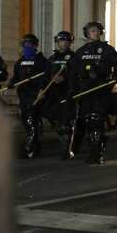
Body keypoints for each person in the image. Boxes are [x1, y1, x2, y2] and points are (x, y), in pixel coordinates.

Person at [72, 21, 117, 165]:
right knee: (88, 121)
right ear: (87, 33)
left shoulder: (107, 49)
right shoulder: (81, 52)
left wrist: (112, 80)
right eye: (91, 31)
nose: (94, 33)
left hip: (101, 91)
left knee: (96, 120)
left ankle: (97, 152)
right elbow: (74, 72)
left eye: (96, 31)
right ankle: (93, 150)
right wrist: (73, 89)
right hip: (86, 92)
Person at [8, 34, 51, 159]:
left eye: (30, 44)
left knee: (31, 120)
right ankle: (35, 146)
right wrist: (12, 83)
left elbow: (46, 77)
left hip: (36, 95)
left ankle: (29, 148)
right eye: (24, 45)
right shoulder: (20, 62)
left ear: (35, 46)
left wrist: (42, 89)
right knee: (27, 120)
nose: (27, 47)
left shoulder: (42, 61)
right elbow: (16, 77)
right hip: (23, 96)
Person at [46, 31, 77, 160]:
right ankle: (64, 144)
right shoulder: (52, 59)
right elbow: (46, 75)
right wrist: (51, 78)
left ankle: (67, 149)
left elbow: (77, 75)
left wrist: (64, 77)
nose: (63, 43)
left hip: (68, 93)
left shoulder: (75, 58)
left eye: (66, 41)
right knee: (55, 120)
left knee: (65, 123)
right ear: (57, 42)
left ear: (70, 42)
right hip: (54, 94)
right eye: (61, 41)